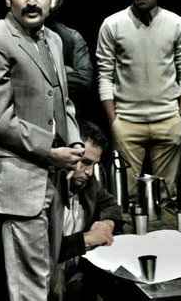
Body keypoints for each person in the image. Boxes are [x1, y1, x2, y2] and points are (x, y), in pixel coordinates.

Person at [0, 0, 83, 301]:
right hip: (19, 180)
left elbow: (63, 102)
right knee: (28, 286)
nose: (32, 1)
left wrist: (76, 144)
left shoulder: (55, 40)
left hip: (54, 177)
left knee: (47, 278)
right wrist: (51, 151)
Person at [96, 0, 181, 196]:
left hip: (168, 119)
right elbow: (105, 75)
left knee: (167, 197)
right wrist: (114, 122)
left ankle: (166, 224)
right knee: (124, 197)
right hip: (127, 121)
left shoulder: (176, 24)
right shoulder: (112, 24)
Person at [51, 121, 123, 301]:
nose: (89, 172)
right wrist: (86, 239)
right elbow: (40, 249)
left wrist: (106, 224)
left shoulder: (88, 184)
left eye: (93, 165)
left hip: (75, 278)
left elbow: (111, 205)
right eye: (84, 162)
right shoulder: (46, 190)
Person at [46, 0, 93, 119]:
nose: (51, 0)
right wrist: (65, 69)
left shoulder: (72, 37)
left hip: (65, 115)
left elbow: (84, 80)